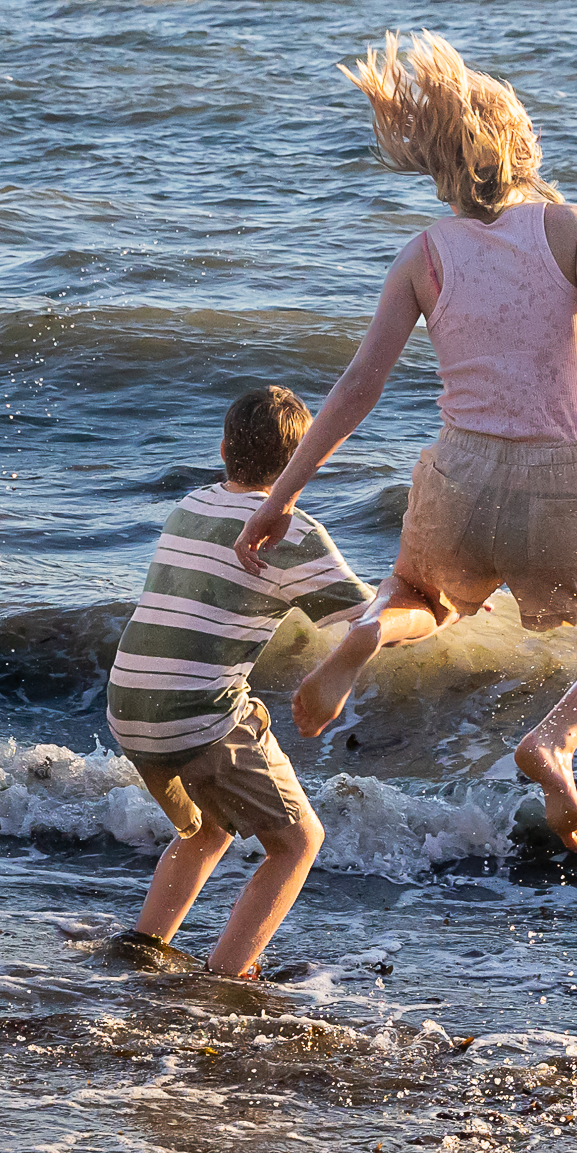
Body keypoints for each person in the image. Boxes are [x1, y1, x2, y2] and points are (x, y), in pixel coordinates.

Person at [233, 32, 577, 852]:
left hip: (461, 479)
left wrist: (280, 499)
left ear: (437, 163)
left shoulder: (423, 254)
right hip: (567, 489)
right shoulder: (571, 228)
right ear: (519, 144)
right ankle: (554, 740)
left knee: (420, 595)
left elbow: (357, 387)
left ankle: (373, 630)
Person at [106, 385, 375, 979]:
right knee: (299, 843)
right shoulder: (294, 534)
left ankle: (142, 944)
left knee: (207, 826)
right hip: (193, 717)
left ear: (224, 447)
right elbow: (371, 617)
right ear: (309, 462)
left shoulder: (191, 505)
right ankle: (227, 976)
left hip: (128, 705)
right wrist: (443, 599)